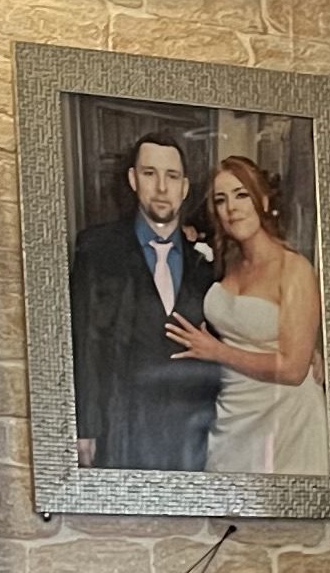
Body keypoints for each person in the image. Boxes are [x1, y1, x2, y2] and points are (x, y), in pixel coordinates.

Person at [65, 131, 222, 471]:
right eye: (150, 174)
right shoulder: (96, 248)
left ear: (185, 187)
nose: (162, 188)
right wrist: (83, 427)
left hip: (192, 435)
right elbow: (83, 340)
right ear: (134, 180)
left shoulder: (209, 264)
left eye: (172, 176)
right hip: (119, 427)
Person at [176, 153, 327, 478]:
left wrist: (217, 352)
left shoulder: (295, 269)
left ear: (262, 199)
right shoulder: (224, 261)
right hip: (230, 412)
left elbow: (292, 370)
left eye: (241, 194)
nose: (231, 207)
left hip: (285, 417)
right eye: (221, 199)